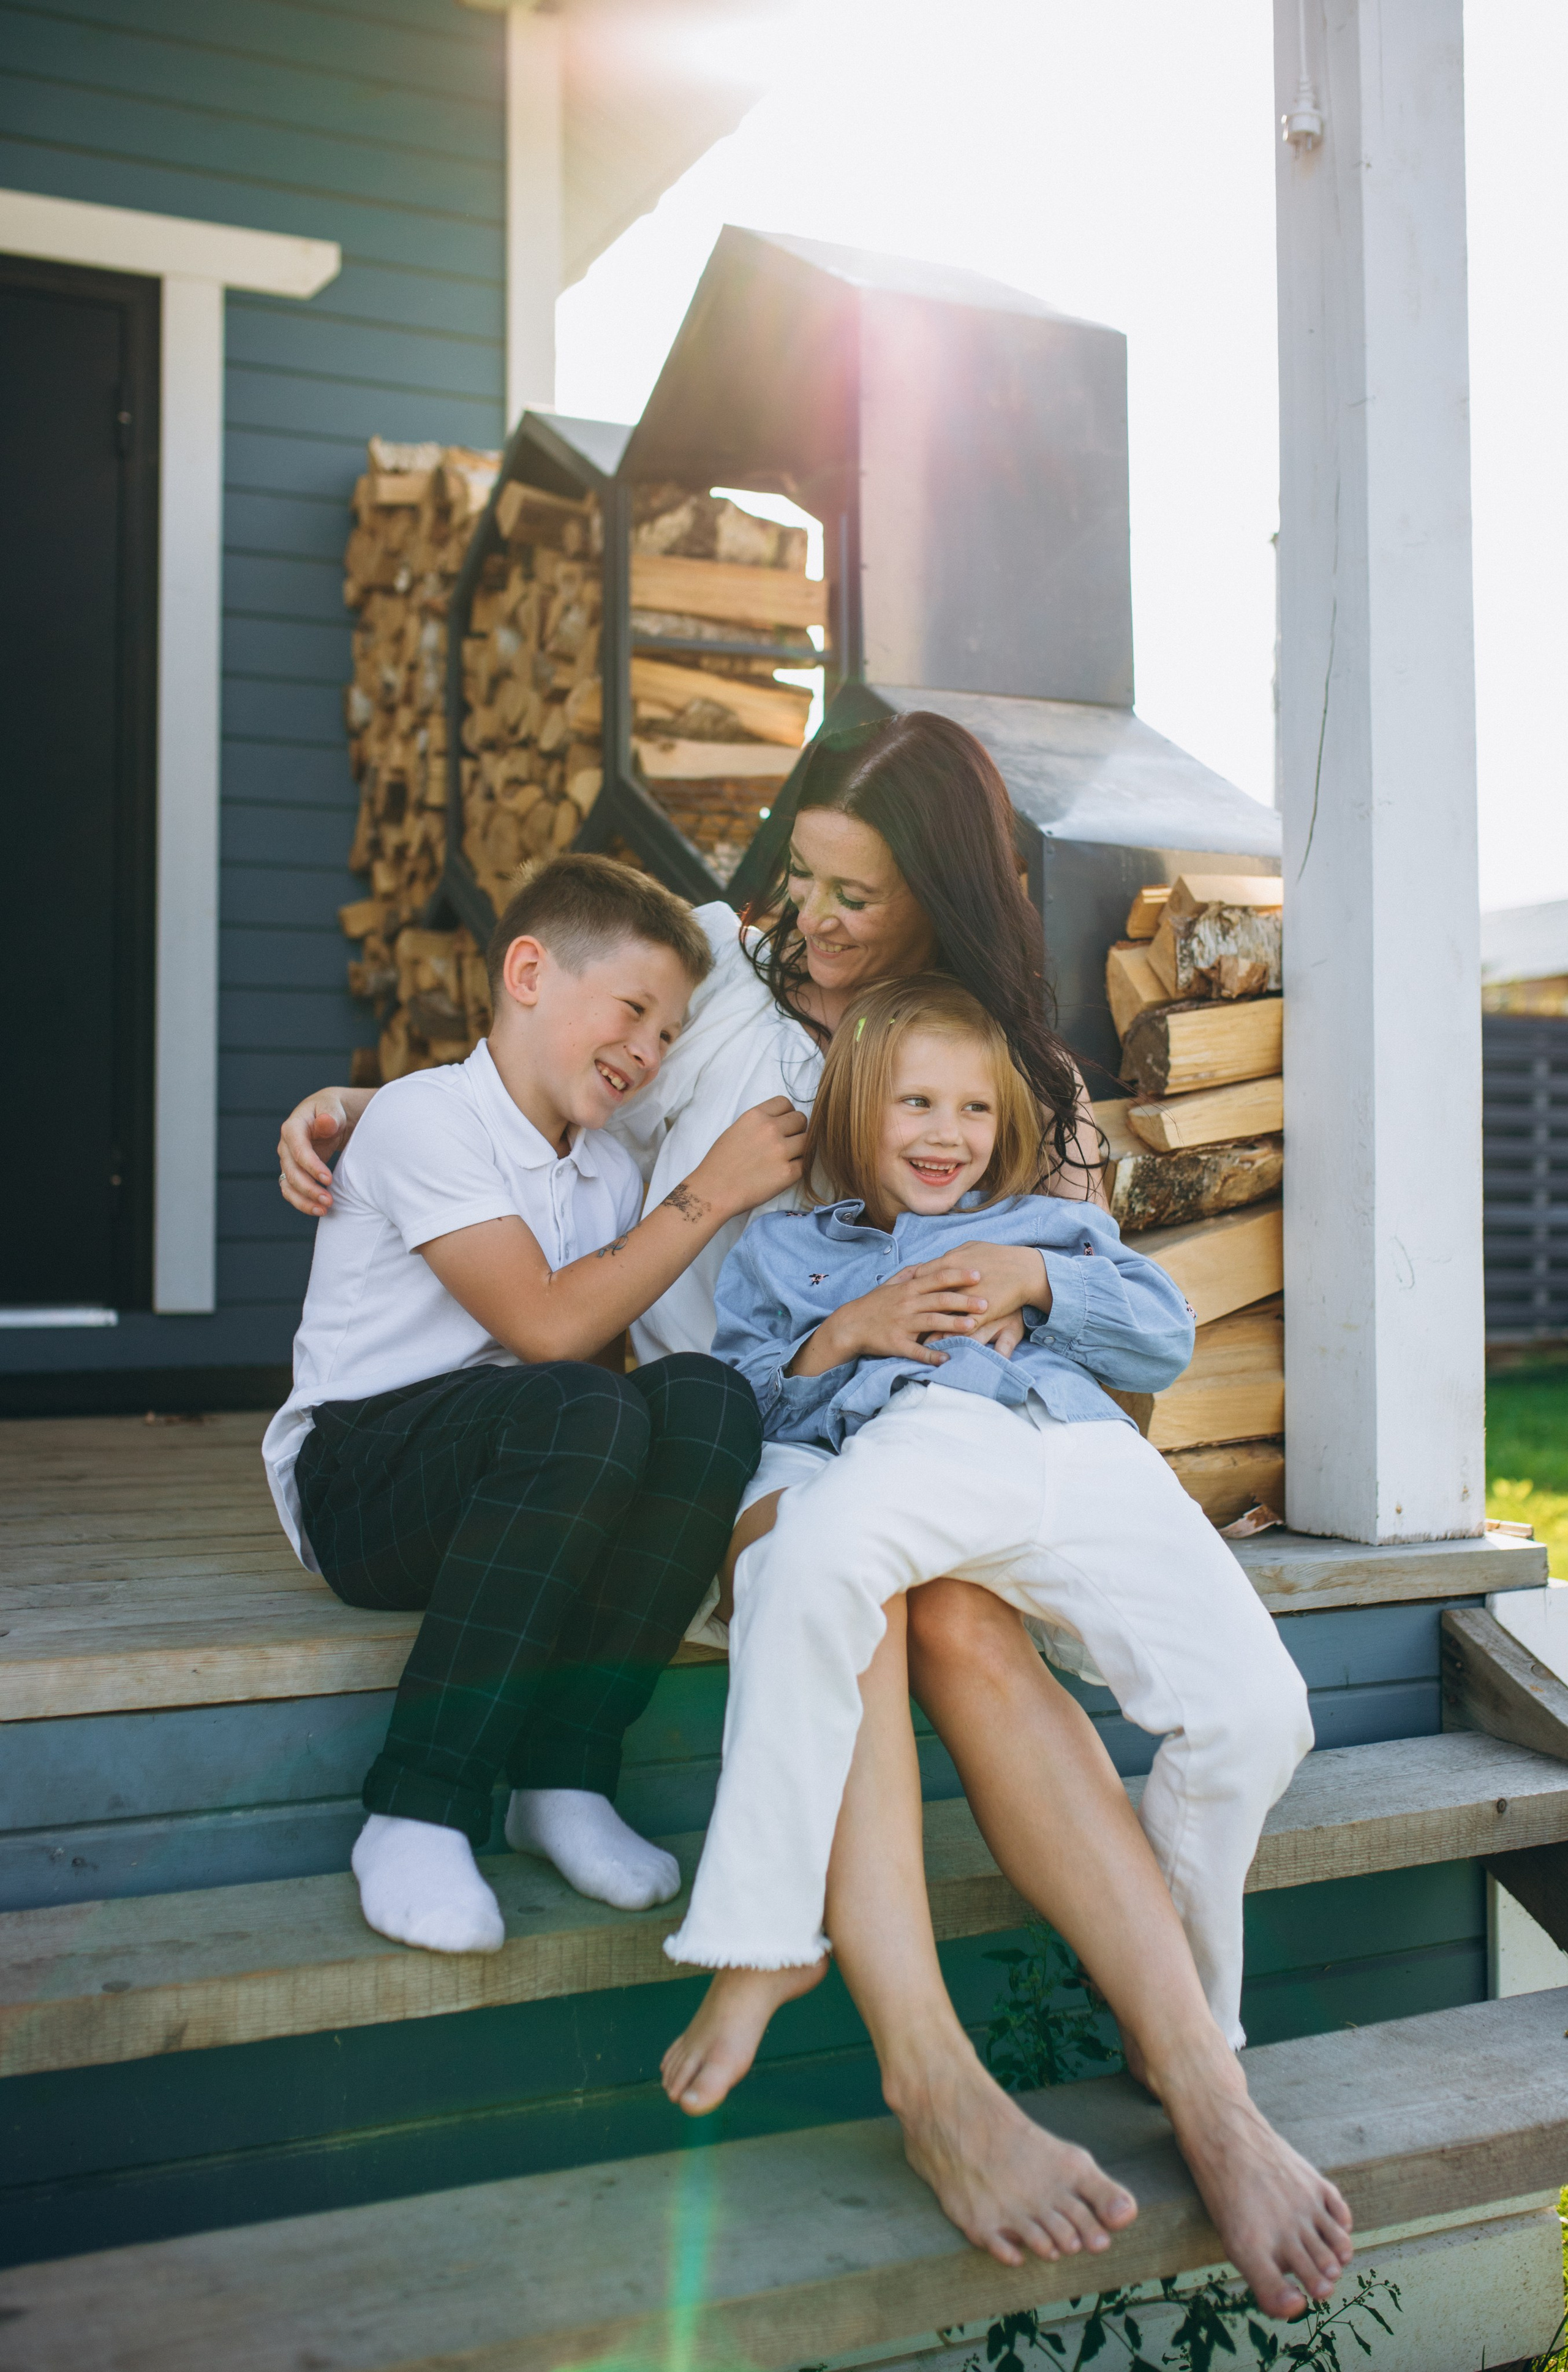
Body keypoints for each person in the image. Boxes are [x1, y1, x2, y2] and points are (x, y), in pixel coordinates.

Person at [277, 714, 1351, 2311]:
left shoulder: (993, 1069)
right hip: (716, 1439)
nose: (816, 921)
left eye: (861, 896)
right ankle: (932, 2080)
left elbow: (1104, 1344)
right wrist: (364, 1110)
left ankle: (1204, 2080)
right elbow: (556, 1063)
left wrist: (1019, 1310)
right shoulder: (712, 965)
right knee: (865, 1586)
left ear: (940, 899)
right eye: (806, 877)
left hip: (946, 1455)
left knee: (972, 1620)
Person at [660, 977, 1348, 2316]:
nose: (945, 1131)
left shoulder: (1043, 1222)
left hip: (1074, 1450)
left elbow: (1156, 1326)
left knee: (1258, 1712)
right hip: (915, 1446)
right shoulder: (785, 1250)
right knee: (811, 1561)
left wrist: (1039, 1274)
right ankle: (759, 1932)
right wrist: (841, 1333)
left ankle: (1196, 2035)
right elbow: (732, 1400)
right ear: (856, 1112)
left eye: (971, 1108)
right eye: (915, 1102)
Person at [263, 854, 804, 1955]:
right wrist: (714, 1189)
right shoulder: (426, 1121)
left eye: (669, 1035)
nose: (649, 1053)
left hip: (512, 1470)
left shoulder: (603, 1169)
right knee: (580, 1402)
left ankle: (564, 1776)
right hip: (357, 1480)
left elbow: (592, 1355)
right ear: (527, 973)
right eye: (634, 1012)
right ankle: (418, 1805)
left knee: (706, 1400)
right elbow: (551, 1329)